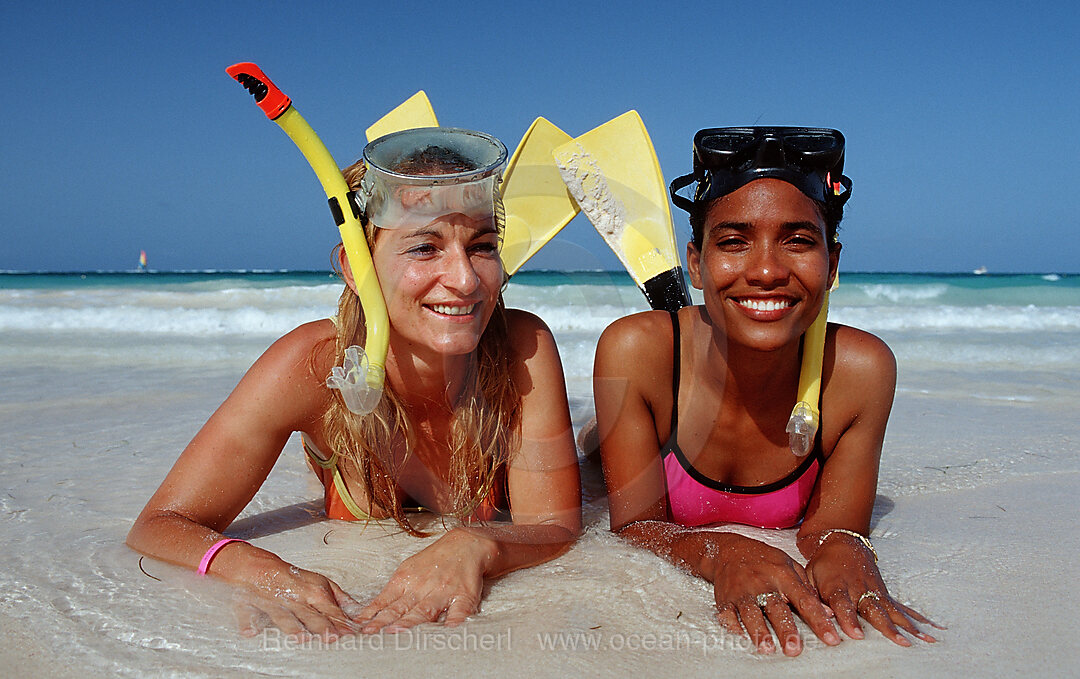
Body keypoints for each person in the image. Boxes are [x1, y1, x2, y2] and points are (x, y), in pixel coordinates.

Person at [127, 127, 581, 640]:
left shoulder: (520, 347)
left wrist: (476, 545)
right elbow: (160, 525)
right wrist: (259, 569)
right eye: (425, 247)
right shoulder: (314, 366)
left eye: (482, 246)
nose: (466, 279)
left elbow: (558, 527)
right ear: (354, 265)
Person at [592, 127, 937, 656]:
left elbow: (833, 529)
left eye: (799, 241)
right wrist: (720, 552)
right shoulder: (639, 352)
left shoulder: (858, 372)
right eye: (732, 242)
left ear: (833, 264)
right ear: (696, 264)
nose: (767, 271)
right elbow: (637, 526)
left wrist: (847, 548)